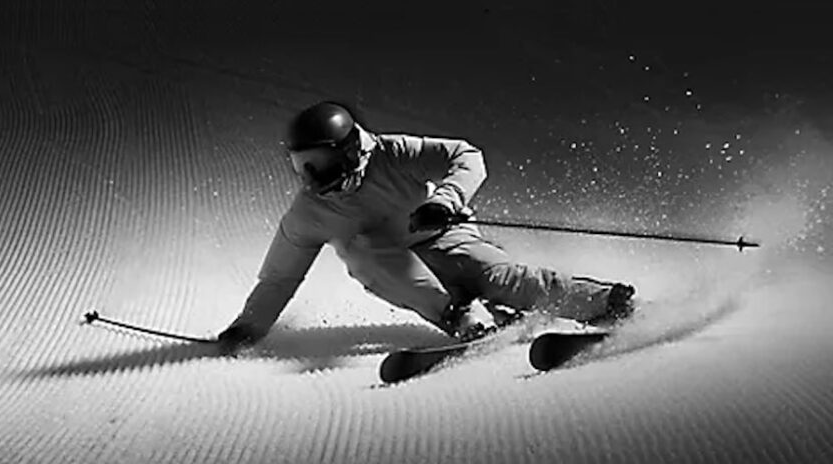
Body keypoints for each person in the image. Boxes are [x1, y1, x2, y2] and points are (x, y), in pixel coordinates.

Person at [216, 101, 635, 353]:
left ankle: (606, 304)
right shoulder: (309, 212)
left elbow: (467, 156)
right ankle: (464, 317)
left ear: (346, 151)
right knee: (359, 248)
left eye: (318, 164)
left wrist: (445, 201)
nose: (311, 177)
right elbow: (278, 278)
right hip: (394, 267)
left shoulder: (392, 153)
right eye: (301, 166)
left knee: (505, 278)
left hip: (445, 237)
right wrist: (247, 328)